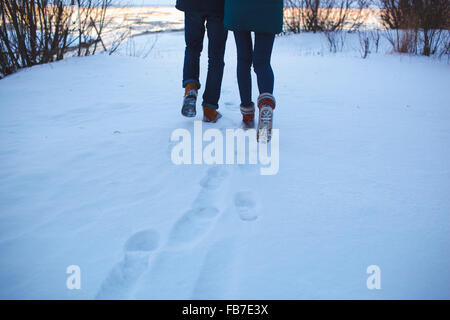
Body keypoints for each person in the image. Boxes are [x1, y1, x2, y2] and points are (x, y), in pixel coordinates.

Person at [224, 0, 283, 142]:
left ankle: (247, 114)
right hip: (268, 8)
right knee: (263, 62)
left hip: (239, 7)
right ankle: (266, 105)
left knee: (243, 60)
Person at [176, 0, 228, 123]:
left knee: (192, 49)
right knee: (216, 56)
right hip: (218, 6)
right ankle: (210, 110)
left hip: (192, 4)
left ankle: (190, 88)